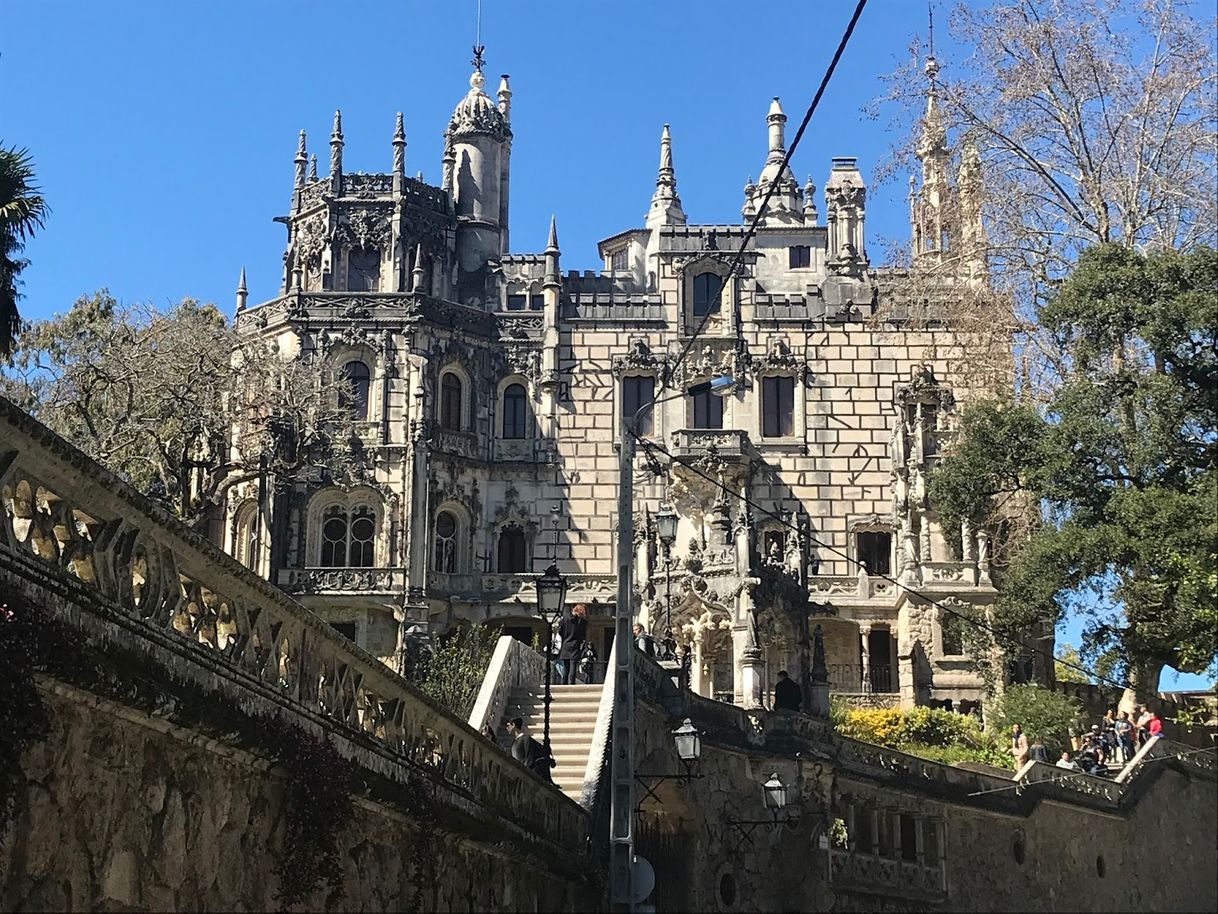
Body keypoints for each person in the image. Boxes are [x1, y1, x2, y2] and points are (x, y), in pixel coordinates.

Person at [504, 717, 553, 783]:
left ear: (513, 725)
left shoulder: (526, 738)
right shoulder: (514, 743)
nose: (507, 728)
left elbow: (529, 758)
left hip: (526, 775)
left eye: (508, 725)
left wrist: (525, 773)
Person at [558, 604, 588, 685]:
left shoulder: (565, 619)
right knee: (573, 667)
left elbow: (560, 631)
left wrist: (565, 638)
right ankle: (571, 685)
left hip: (565, 645)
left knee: (565, 668)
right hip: (575, 645)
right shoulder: (582, 622)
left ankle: (563, 685)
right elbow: (582, 635)